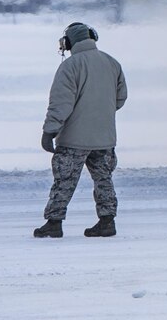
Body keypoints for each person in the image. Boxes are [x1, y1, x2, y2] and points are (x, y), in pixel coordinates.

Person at [34, 21, 127, 239]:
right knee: (104, 180)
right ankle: (107, 222)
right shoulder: (112, 63)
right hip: (105, 138)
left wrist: (49, 132)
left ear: (69, 42)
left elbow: (61, 104)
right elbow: (120, 98)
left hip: (73, 140)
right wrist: (100, 113)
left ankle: (54, 223)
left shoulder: (70, 66)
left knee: (64, 181)